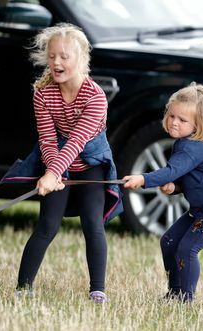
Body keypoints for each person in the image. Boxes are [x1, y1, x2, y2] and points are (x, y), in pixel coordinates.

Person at [10, 23, 122, 304]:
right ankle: (23, 288)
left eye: (64, 56)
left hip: (91, 163)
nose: (56, 62)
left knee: (93, 225)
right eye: (51, 56)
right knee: (47, 225)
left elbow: (76, 142)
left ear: (82, 59)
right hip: (58, 162)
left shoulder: (95, 97)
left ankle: (98, 290)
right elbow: (48, 139)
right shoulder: (43, 94)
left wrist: (52, 173)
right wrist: (52, 172)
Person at [123, 83, 203, 303]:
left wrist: (143, 179)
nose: (174, 122)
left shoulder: (194, 146)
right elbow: (187, 177)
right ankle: (175, 292)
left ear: (198, 124)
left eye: (182, 120)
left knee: (187, 248)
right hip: (200, 209)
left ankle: (185, 299)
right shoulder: (183, 144)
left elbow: (171, 171)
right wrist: (175, 186)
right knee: (169, 241)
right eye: (171, 115)